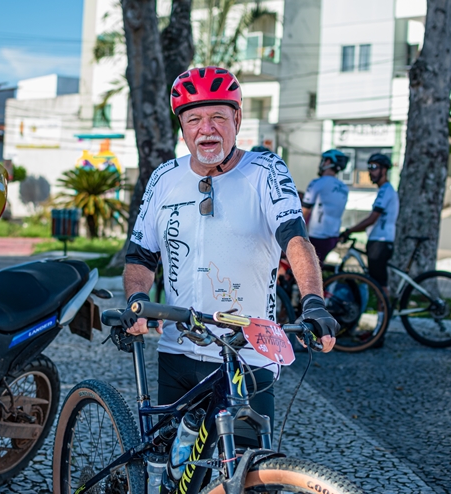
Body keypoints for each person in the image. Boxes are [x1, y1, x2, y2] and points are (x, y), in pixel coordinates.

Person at [112, 66, 338, 446]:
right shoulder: (164, 178)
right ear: (182, 127)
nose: (207, 129)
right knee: (173, 465)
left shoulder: (265, 171)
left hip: (249, 352)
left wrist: (313, 301)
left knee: (247, 466)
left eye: (218, 116)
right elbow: (141, 256)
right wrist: (138, 298)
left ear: (237, 119)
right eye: (194, 119)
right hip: (177, 350)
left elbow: (295, 240)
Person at [339, 153, 398, 298]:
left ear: (384, 170)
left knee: (379, 284)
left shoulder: (386, 191)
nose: (370, 171)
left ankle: (383, 311)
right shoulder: (384, 190)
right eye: (369, 167)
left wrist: (349, 231)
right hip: (378, 240)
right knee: (377, 282)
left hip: (380, 241)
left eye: (374, 167)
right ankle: (383, 309)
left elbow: (372, 219)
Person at [301, 150, 349, 265]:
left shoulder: (318, 183)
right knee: (318, 268)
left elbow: (304, 211)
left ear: (328, 162)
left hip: (316, 235)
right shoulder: (344, 187)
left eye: (323, 160)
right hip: (333, 236)